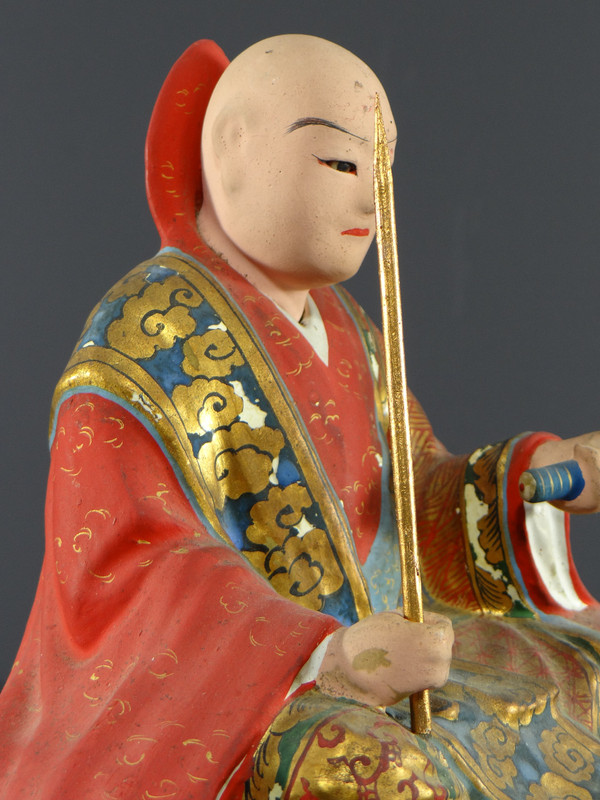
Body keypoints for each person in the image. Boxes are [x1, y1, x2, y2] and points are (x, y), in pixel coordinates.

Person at [1, 34, 600, 799]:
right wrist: (325, 655)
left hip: (395, 640)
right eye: (344, 165)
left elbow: (411, 495)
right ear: (231, 151)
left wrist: (540, 477)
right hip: (259, 690)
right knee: (383, 778)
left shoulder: (347, 327)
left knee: (582, 676)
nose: (372, 202)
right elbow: (125, 568)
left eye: (384, 172)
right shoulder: (141, 331)